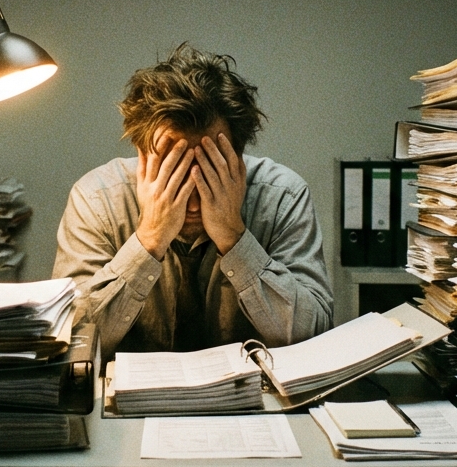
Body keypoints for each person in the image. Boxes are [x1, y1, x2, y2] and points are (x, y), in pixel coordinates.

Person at [53, 44, 333, 358]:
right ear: (142, 155)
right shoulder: (96, 199)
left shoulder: (282, 196)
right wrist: (149, 240)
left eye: (211, 172)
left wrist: (234, 237)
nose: (194, 204)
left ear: (238, 159)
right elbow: (69, 340)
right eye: (174, 172)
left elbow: (314, 334)